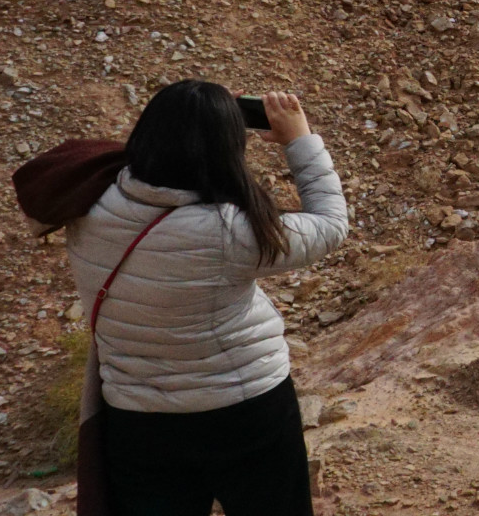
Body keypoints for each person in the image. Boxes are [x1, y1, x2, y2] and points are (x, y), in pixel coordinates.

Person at [67, 80, 347, 516]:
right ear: (225, 149)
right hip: (246, 412)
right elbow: (329, 225)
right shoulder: (231, 231)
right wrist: (300, 140)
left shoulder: (85, 207)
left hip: (138, 419)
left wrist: (193, 121)